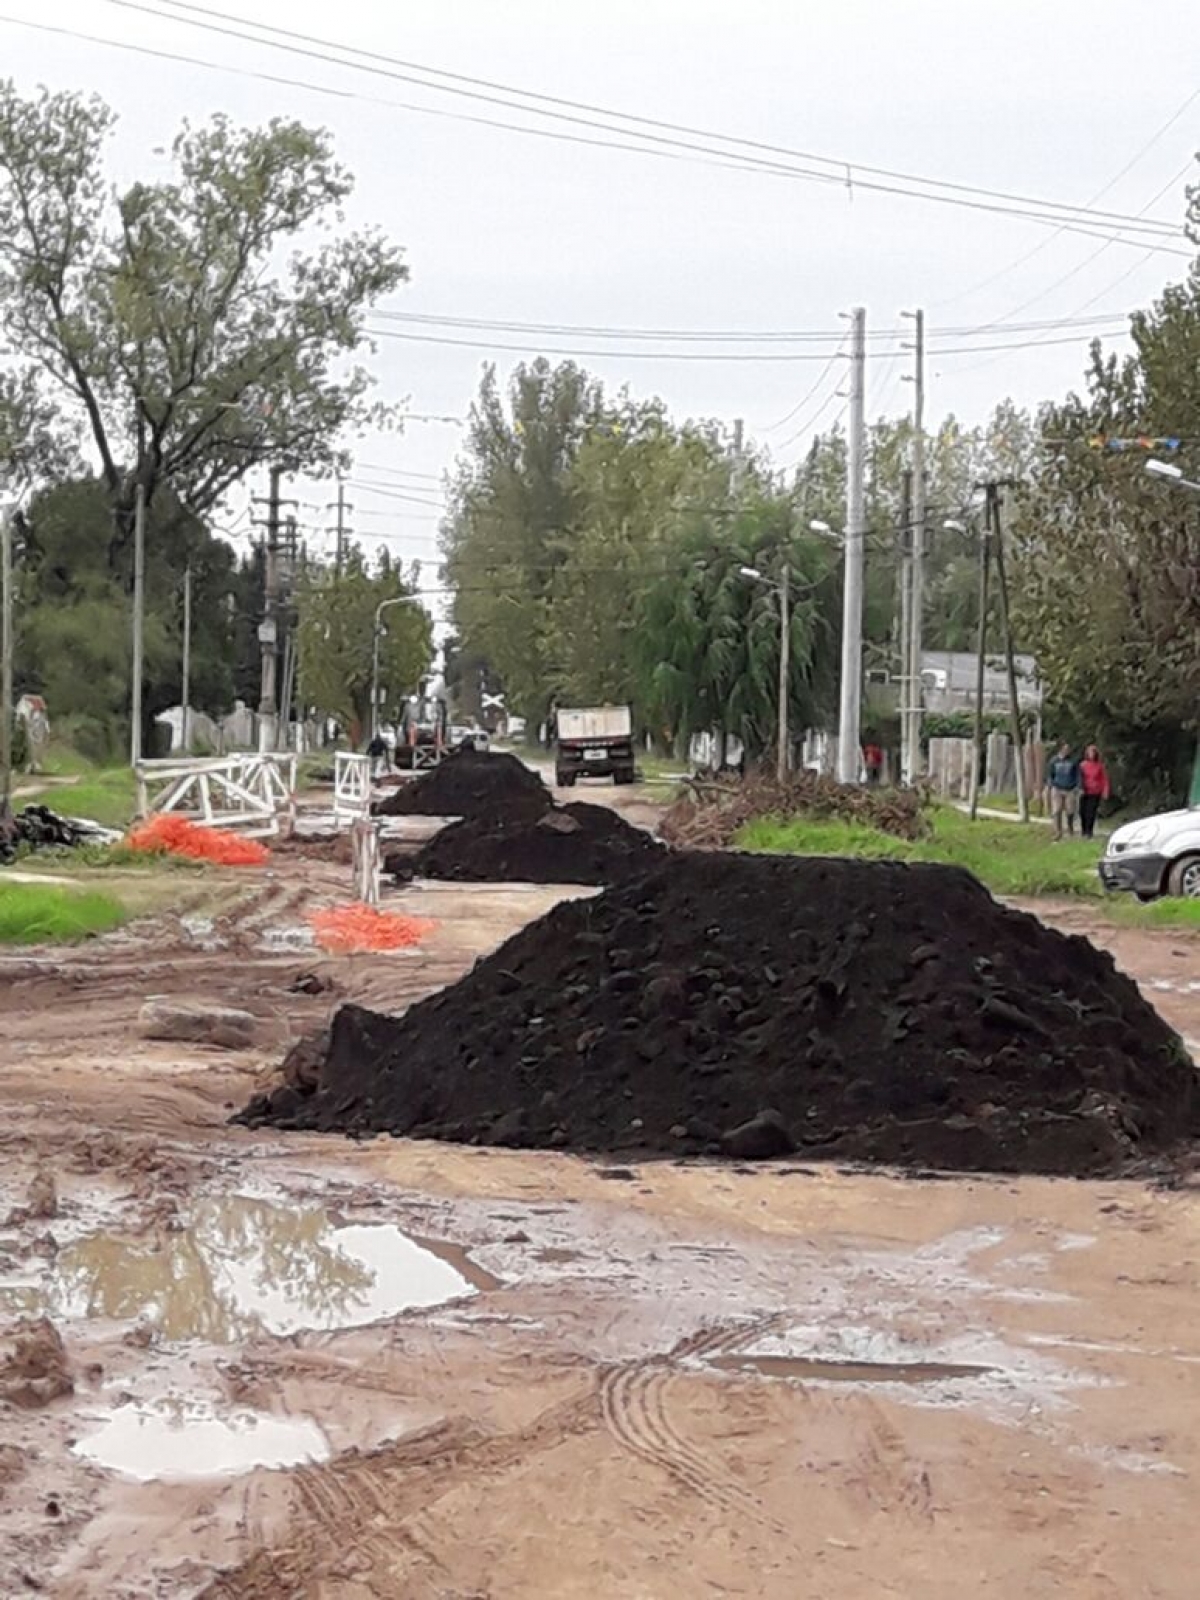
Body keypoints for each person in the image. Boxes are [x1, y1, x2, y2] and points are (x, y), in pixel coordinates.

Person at [1046, 742, 1081, 839]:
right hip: (1057, 788)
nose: (1067, 751)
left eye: (1068, 749)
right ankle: (1058, 832)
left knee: (1070, 811)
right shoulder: (1054, 761)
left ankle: (1070, 829)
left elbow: (1078, 774)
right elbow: (1050, 775)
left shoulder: (1073, 761)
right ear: (1060, 749)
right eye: (1065, 749)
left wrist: (1078, 786)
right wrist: (1051, 785)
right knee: (1057, 810)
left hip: (1070, 788)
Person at [1078, 743, 1111, 840]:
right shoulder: (1082, 765)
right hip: (1084, 791)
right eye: (1089, 752)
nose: (1091, 754)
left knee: (1091, 812)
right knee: (1082, 811)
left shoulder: (1099, 766)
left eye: (1093, 752)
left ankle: (1089, 832)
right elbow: (1079, 778)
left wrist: (1105, 791)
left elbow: (1104, 779)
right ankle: (1084, 830)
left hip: (1095, 791)